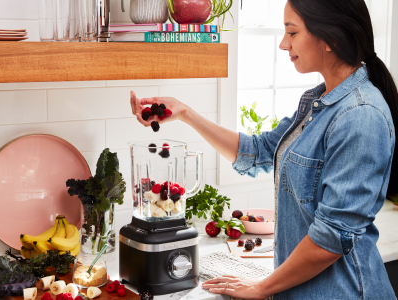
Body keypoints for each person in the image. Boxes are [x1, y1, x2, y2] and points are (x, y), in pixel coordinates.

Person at [130, 0, 397, 298]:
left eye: (292, 33)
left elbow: (331, 238)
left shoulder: (360, 115)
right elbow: (258, 152)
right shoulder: (319, 103)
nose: (284, 44)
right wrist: (184, 113)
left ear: (331, 38)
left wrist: (261, 287)